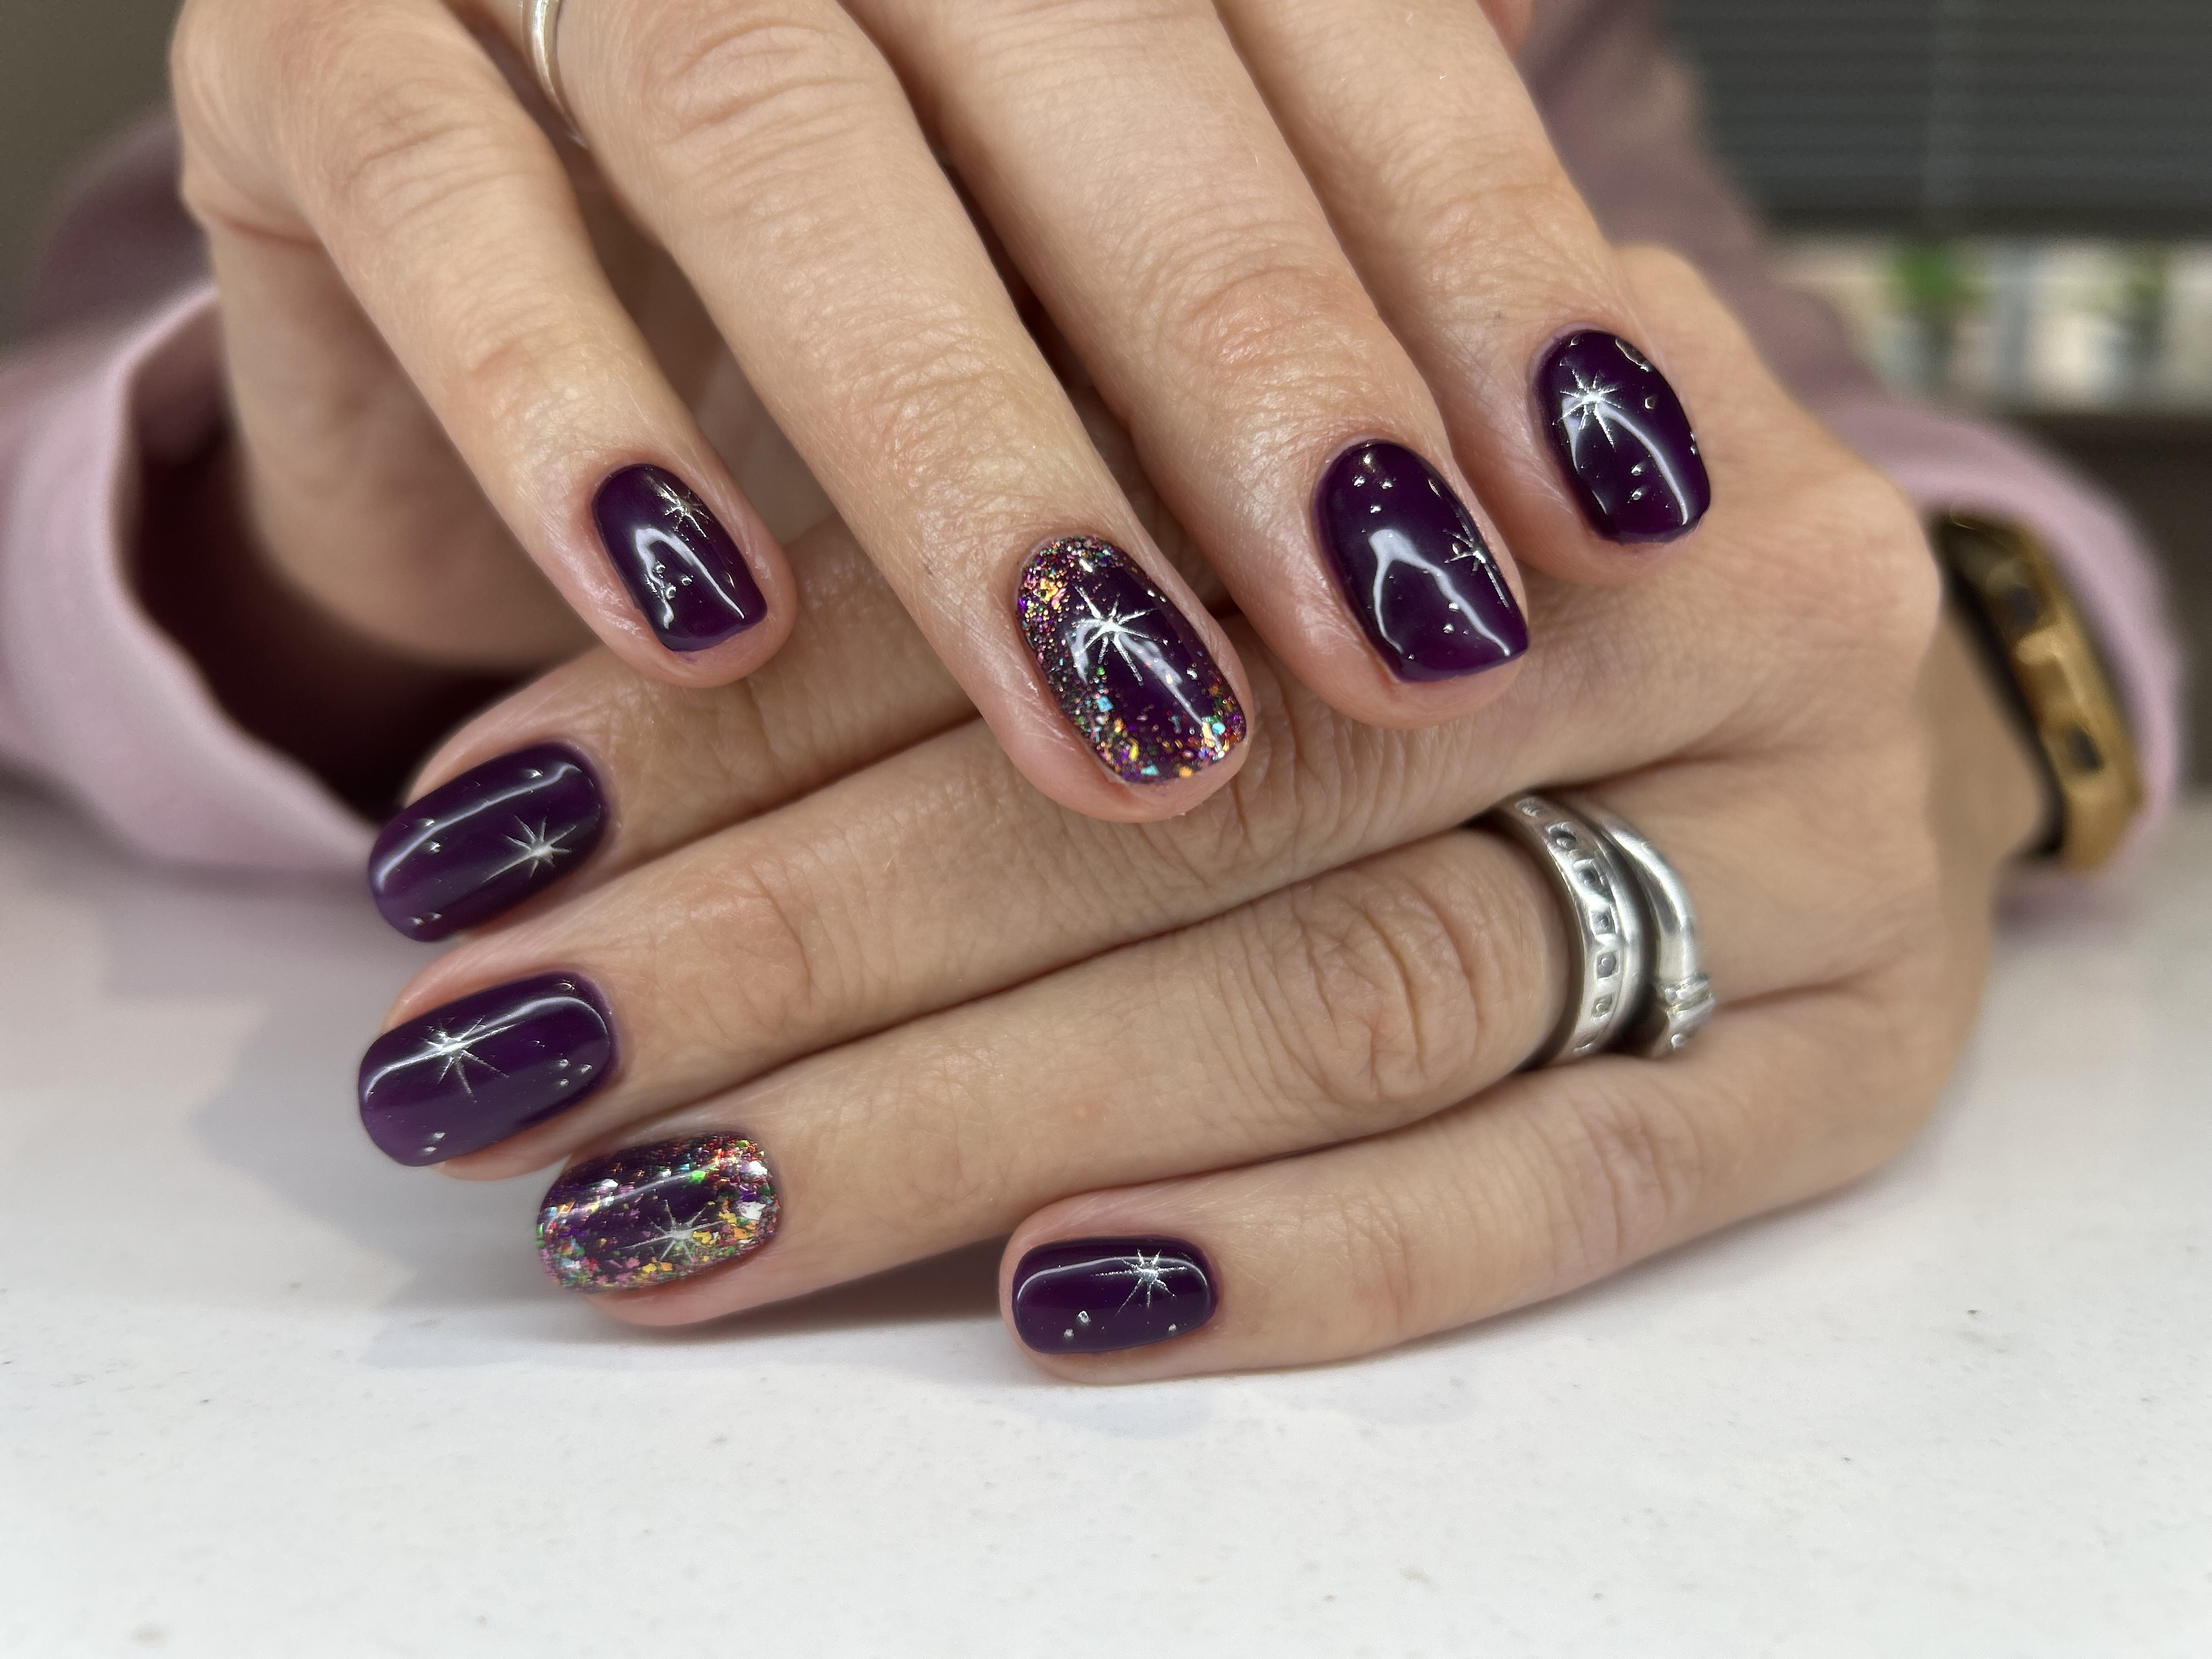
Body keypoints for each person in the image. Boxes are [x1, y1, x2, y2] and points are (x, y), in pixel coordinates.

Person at [0, 0, 2181, 1380]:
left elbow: (1813, 465)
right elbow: (79, 413)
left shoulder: (1534, 56)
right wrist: (320, 588)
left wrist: (1945, 714)